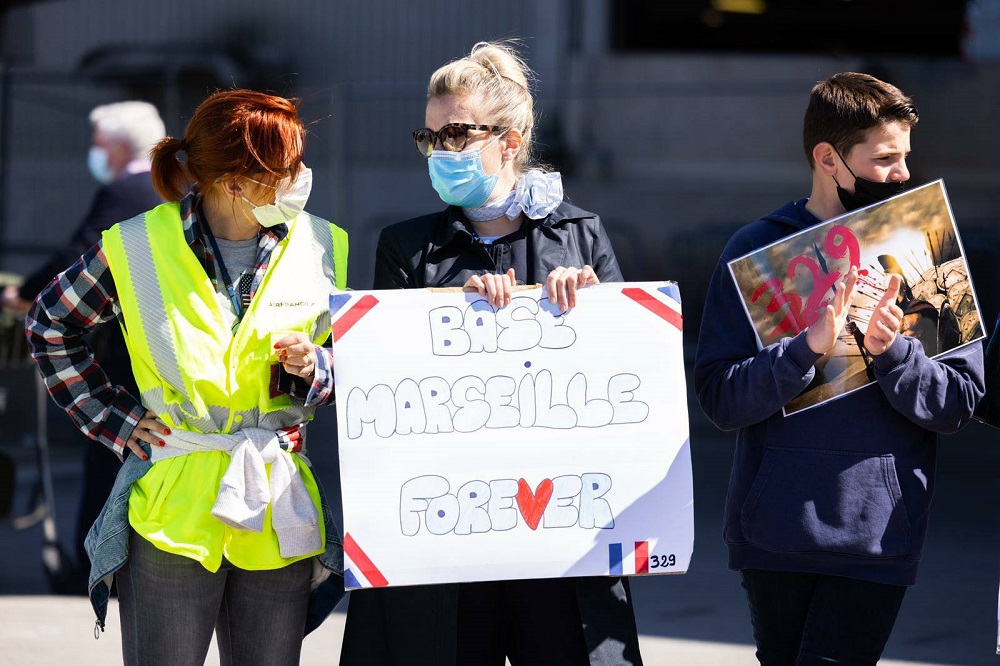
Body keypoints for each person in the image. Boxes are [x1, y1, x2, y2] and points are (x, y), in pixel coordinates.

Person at [340, 41, 642, 666]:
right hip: (446, 536)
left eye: (456, 132)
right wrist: (449, 311)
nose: (442, 150)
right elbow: (380, 384)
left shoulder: (580, 235)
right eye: (430, 136)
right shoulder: (407, 247)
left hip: (559, 533)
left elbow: (627, 384)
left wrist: (593, 313)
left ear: (510, 138)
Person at [26, 89, 348, 665]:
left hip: (277, 507)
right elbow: (51, 325)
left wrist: (317, 369)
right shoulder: (137, 246)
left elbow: (354, 366)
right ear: (233, 180)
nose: (301, 178)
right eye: (287, 167)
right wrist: (118, 421)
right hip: (173, 511)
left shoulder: (323, 244)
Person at [694, 72, 984, 666]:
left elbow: (958, 403)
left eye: (906, 157)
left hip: (877, 535)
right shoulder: (755, 251)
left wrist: (893, 353)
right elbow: (720, 400)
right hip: (773, 533)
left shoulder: (929, 248)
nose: (903, 174)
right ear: (828, 159)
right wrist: (804, 350)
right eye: (884, 159)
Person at [2, 101, 165, 590]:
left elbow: (79, 254)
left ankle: (97, 565)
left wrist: (24, 292)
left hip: (124, 350)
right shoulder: (180, 190)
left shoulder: (127, 189)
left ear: (115, 146)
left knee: (110, 452)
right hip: (170, 352)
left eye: (97, 142)